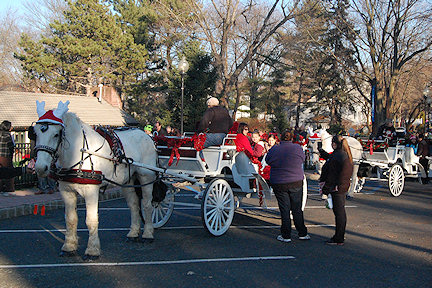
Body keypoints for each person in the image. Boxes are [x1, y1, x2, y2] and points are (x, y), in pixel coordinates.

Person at [265, 130, 309, 243]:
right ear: (291, 138)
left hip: (279, 182)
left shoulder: (275, 149)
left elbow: (268, 160)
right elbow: (303, 159)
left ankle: (286, 234)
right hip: (296, 181)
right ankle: (302, 233)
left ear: (280, 138)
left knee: (284, 209)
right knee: (297, 209)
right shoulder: (298, 148)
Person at [320, 135, 354, 245]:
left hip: (337, 187)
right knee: (340, 212)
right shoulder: (343, 154)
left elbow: (332, 174)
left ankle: (339, 237)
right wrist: (322, 152)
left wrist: (326, 189)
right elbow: (331, 159)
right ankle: (339, 235)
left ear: (335, 144)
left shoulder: (338, 156)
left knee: (339, 213)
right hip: (342, 186)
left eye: (332, 143)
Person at [0, 120, 15, 194]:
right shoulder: (7, 135)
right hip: (5, 156)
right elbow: (11, 146)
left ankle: (1, 188)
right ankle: (9, 188)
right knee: (9, 172)